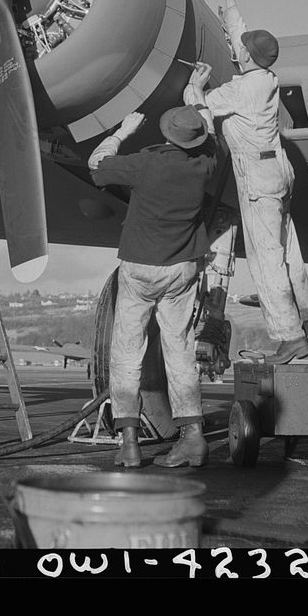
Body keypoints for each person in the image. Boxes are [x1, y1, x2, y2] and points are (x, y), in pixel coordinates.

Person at [185, 0, 308, 365]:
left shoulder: (240, 90)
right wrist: (230, 2)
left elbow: (200, 112)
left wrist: (194, 87)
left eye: (240, 46)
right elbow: (243, 38)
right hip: (279, 170)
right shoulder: (266, 76)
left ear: (246, 56)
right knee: (288, 251)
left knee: (267, 261)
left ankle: (290, 336)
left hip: (258, 181)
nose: (235, 46)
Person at [88, 94, 216, 468]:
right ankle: (193, 437)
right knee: (180, 351)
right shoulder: (205, 165)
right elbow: (210, 140)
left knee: (127, 353)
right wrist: (198, 96)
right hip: (181, 270)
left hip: (140, 268)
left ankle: (129, 443)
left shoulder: (145, 164)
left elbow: (97, 167)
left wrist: (122, 132)